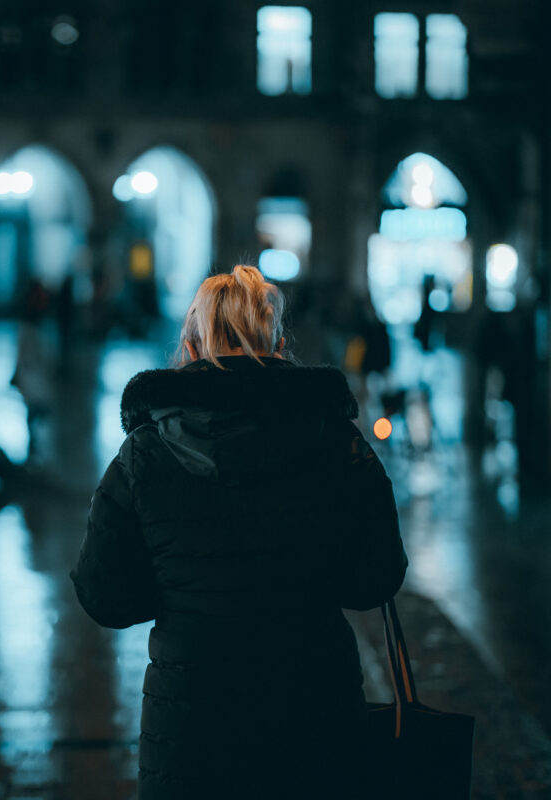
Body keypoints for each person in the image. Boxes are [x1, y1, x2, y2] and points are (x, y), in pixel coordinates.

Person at [70, 265, 407, 798]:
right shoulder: (336, 443)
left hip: (192, 719)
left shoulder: (146, 452)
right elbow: (377, 578)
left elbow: (104, 596)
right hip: (314, 709)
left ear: (194, 340)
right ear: (275, 338)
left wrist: (185, 586)